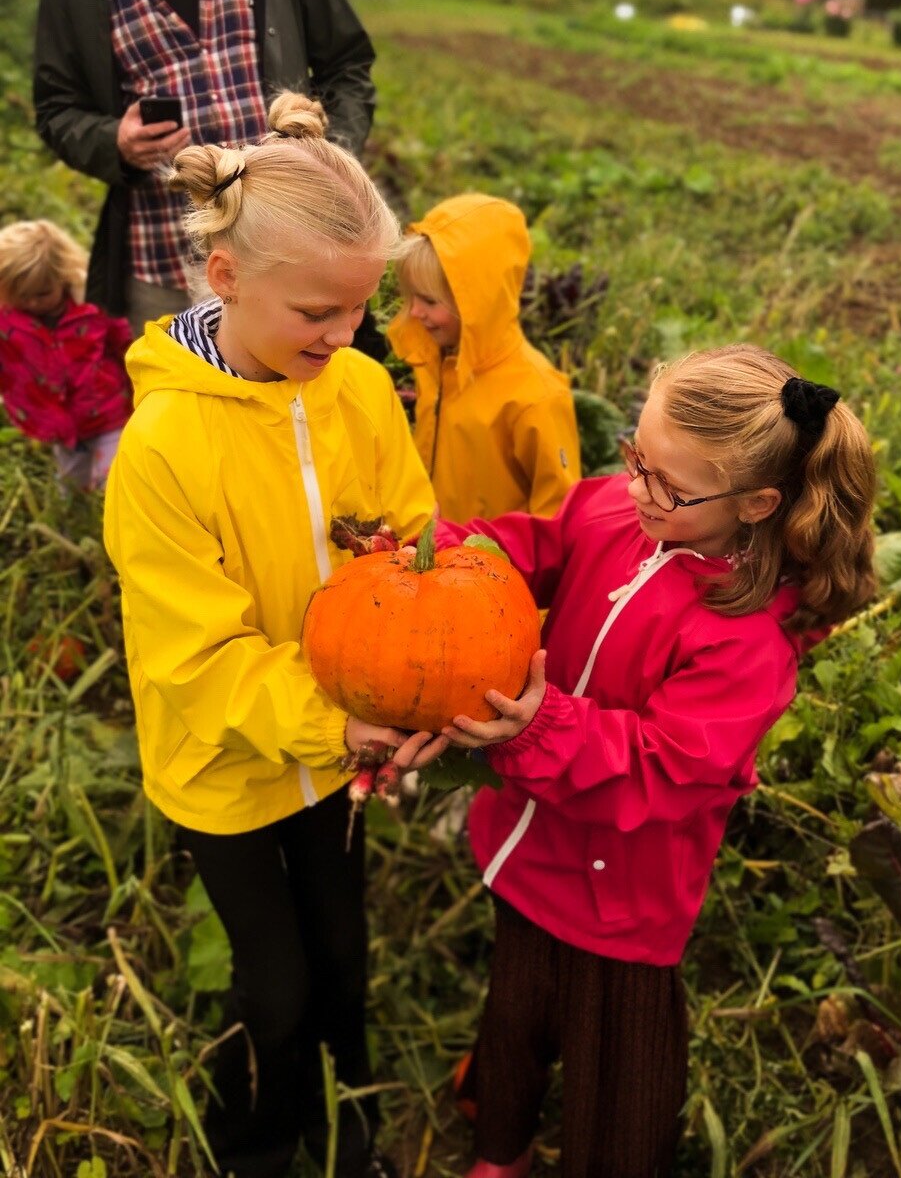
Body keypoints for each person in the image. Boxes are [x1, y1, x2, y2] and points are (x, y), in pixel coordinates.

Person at [393, 343, 877, 1178]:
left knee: (615, 1052)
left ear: (758, 502)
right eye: (635, 458)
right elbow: (533, 548)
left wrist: (540, 727)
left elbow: (664, 768)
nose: (638, 490)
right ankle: (498, 1146)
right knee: (517, 1007)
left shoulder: (745, 638)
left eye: (670, 486)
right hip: (527, 840)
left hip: (624, 894)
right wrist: (453, 556)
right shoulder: (614, 513)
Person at [103, 92, 442, 1178]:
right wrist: (335, 720)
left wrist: (409, 681)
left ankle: (351, 1134)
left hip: (343, 739)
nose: (344, 335)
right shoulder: (162, 446)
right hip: (224, 762)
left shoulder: (356, 389)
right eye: (317, 313)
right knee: (278, 983)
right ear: (226, 277)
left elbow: (412, 535)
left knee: (345, 958)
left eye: (359, 309)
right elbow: (195, 656)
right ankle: (255, 1142)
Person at [33, 0, 380, 350]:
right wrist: (113, 141)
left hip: (295, 253)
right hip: (162, 261)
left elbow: (347, 65)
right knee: (181, 409)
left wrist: (324, 162)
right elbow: (56, 108)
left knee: (305, 404)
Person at [387, 193, 581, 522]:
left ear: (479, 304)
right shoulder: (438, 364)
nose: (416, 312)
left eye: (430, 301)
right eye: (412, 298)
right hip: (430, 554)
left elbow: (557, 519)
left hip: (491, 568)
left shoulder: (535, 396)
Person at [0, 219, 132, 490]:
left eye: (42, 294)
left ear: (63, 276)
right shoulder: (6, 322)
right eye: (22, 296)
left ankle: (113, 522)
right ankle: (75, 522)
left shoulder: (93, 305)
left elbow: (123, 342)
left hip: (107, 411)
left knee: (112, 480)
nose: (33, 303)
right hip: (56, 422)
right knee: (73, 485)